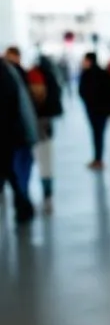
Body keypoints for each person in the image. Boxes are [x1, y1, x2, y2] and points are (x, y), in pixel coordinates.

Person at [0, 53, 37, 224]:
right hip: (11, 134)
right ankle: (24, 206)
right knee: (12, 173)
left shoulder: (6, 73)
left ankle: (23, 206)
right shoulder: (8, 71)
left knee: (11, 173)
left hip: (8, 134)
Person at [25, 51, 63, 213]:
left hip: (33, 124)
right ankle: (47, 195)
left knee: (34, 161)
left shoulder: (31, 76)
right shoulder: (50, 77)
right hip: (44, 124)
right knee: (45, 162)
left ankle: (37, 195)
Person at [78, 51, 110, 170]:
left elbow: (82, 92)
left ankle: (98, 159)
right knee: (99, 134)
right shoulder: (105, 74)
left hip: (93, 111)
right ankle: (98, 159)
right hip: (103, 111)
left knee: (96, 134)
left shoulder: (86, 74)